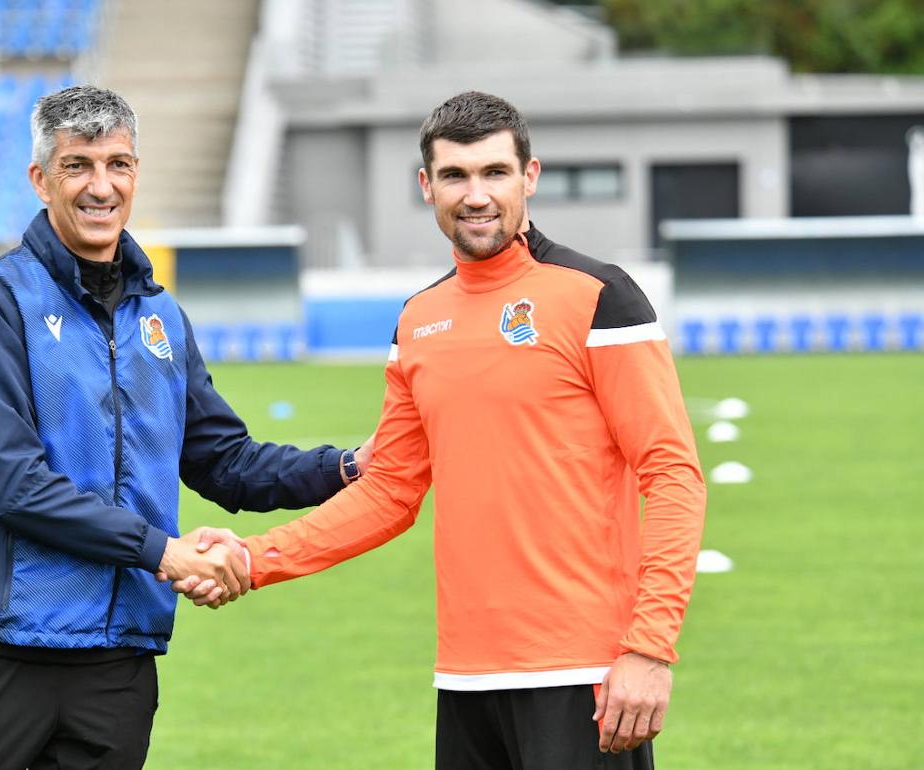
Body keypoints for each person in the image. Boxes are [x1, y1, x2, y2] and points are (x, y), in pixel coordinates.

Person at [176, 91, 707, 769]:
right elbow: (390, 491)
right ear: (427, 186)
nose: (476, 195)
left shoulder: (599, 297)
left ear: (530, 177)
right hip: (465, 678)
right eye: (455, 176)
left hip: (585, 677)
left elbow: (672, 475)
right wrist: (254, 560)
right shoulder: (418, 320)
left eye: (495, 173)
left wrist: (649, 648)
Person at [0, 84, 371, 770]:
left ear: (135, 173)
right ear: (40, 179)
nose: (101, 186)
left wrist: (348, 468)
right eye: (78, 165)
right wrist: (165, 552)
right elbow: (10, 483)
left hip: (118, 662)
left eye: (118, 164)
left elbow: (224, 461)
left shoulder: (160, 316)